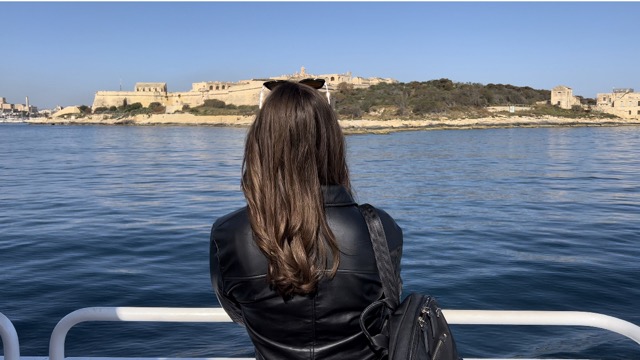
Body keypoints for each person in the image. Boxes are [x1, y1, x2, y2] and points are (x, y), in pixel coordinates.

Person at [210, 79, 403, 360]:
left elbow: (237, 312)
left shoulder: (228, 233)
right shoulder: (381, 227)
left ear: (260, 143)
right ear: (332, 142)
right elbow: (388, 305)